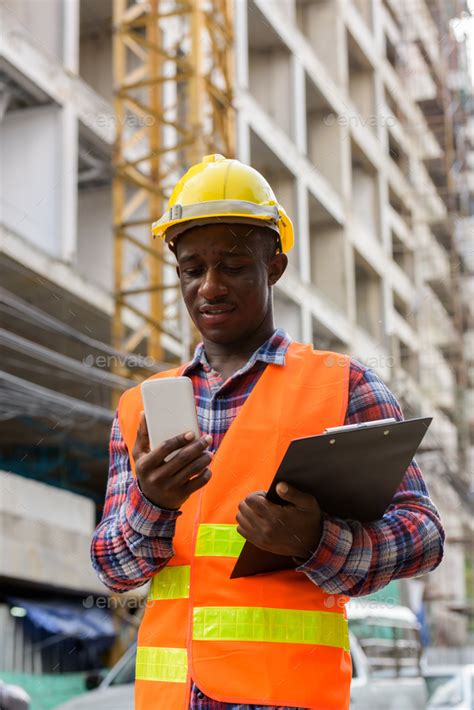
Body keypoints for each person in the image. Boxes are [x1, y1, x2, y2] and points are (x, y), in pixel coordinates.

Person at [91, 154, 444, 709]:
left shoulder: (343, 387)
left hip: (289, 699)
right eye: (192, 268)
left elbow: (423, 536)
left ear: (274, 266)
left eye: (232, 265)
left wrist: (315, 543)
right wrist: (152, 504)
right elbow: (113, 569)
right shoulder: (139, 410)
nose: (209, 287)